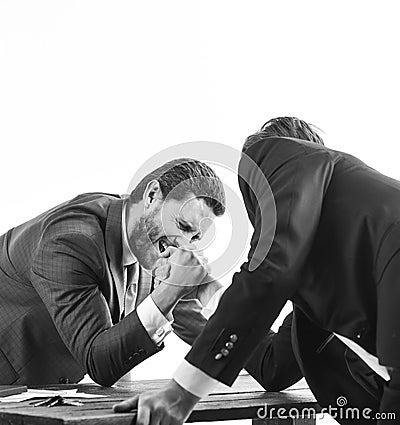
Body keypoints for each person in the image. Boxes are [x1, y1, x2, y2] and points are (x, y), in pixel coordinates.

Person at [114, 117, 400, 424]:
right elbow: (273, 366)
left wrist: (181, 393)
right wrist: (194, 302)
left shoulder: (280, 154)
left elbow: (268, 272)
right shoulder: (318, 293)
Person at [0, 158, 227, 386]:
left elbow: (208, 333)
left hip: (41, 392)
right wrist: (171, 290)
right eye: (182, 226)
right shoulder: (71, 240)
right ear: (151, 196)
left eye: (195, 237)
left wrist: (220, 297)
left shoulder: (150, 241)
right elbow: (100, 364)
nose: (184, 245)